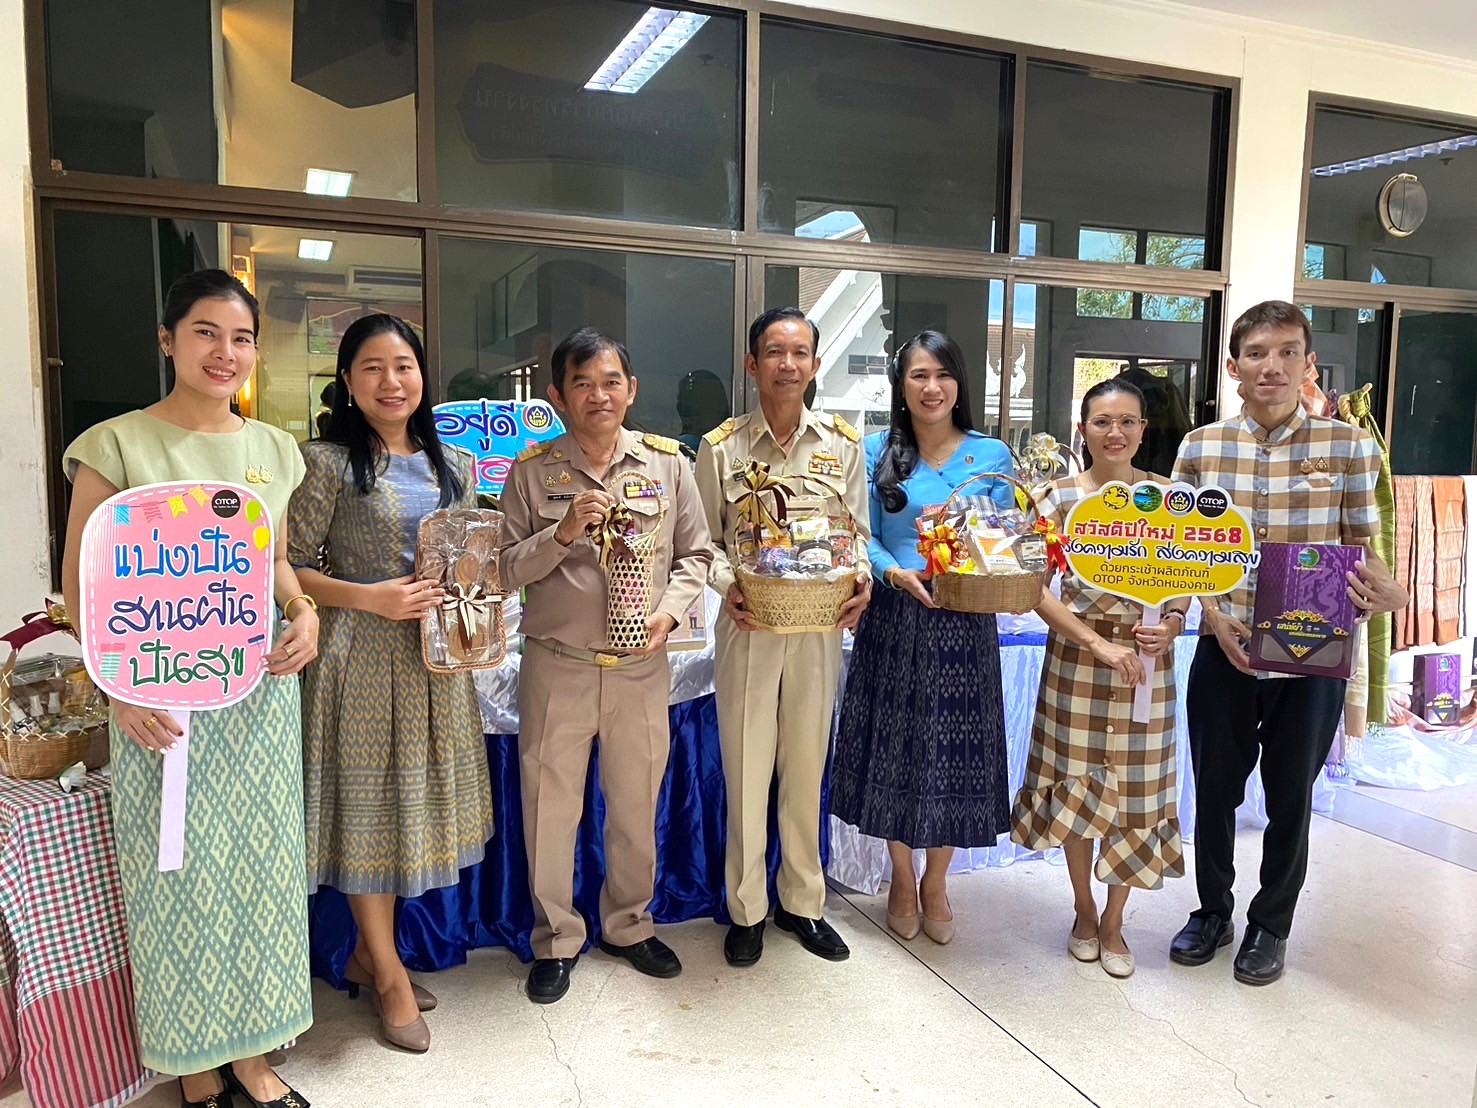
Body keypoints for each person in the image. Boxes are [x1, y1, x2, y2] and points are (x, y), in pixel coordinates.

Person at [60, 270, 317, 1108]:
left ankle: (254, 1054)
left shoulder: (274, 449)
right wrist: (120, 693)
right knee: (175, 876)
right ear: (168, 340)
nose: (225, 352)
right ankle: (193, 1062)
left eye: (241, 338)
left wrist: (304, 611)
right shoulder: (116, 445)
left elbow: (270, 561)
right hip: (156, 705)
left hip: (256, 697)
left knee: (259, 874)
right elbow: (82, 589)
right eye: (206, 333)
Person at [1169, 301, 1406, 986]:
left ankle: (1270, 924)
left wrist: (1391, 593)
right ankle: (1211, 910)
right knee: (1212, 789)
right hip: (1226, 644)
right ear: (1232, 364)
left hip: (1312, 651)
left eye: (1285, 351)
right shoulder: (1200, 447)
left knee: (1289, 797)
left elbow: (1364, 549)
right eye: (1255, 352)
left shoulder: (1349, 447)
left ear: (1307, 363)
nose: (1270, 365)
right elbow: (1183, 555)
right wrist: (1211, 619)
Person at [287, 313, 494, 1053]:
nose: (390, 381)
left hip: (434, 666)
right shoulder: (324, 463)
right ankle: (389, 974)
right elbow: (289, 566)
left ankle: (368, 956)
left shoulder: (453, 466)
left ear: (421, 375)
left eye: (402, 365)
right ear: (346, 382)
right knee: (368, 814)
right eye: (371, 367)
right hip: (356, 661)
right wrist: (369, 595)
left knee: (409, 811)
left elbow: (471, 561)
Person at [499, 327, 711, 1004]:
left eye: (611, 381)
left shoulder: (666, 464)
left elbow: (696, 556)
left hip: (638, 668)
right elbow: (500, 570)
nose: (599, 395)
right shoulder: (531, 472)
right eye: (583, 383)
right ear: (557, 395)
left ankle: (627, 923)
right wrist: (560, 535)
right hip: (557, 664)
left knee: (632, 805)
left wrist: (670, 612)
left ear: (631, 389)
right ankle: (556, 938)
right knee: (549, 809)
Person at [696, 308, 872, 968]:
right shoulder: (722, 448)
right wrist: (727, 584)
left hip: (819, 628)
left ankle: (802, 904)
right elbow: (700, 541)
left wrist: (861, 579)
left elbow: (855, 534)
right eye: (774, 352)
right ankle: (746, 909)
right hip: (749, 626)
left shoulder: (841, 444)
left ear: (815, 365)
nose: (787, 364)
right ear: (752, 364)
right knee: (745, 772)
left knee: (804, 767)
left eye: (800, 353)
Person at [830, 331, 1016, 945]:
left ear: (959, 383)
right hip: (895, 616)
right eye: (917, 376)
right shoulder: (878, 450)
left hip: (966, 621)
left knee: (954, 755)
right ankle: (901, 875)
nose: (931, 387)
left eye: (942, 374)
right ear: (900, 385)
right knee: (897, 749)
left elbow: (1008, 537)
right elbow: (863, 533)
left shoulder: (991, 455)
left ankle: (938, 879)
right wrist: (891, 570)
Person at [1011, 379, 1186, 979]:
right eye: (1103, 421)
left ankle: (1115, 921)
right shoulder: (1053, 498)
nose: (1116, 432)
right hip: (1079, 662)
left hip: (1147, 665)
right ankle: (1084, 910)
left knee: (1137, 796)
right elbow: (1030, 586)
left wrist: (1174, 623)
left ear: (1143, 430)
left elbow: (1189, 578)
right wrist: (1094, 644)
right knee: (1078, 789)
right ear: (1081, 429)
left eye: (1129, 422)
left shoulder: (1170, 499)